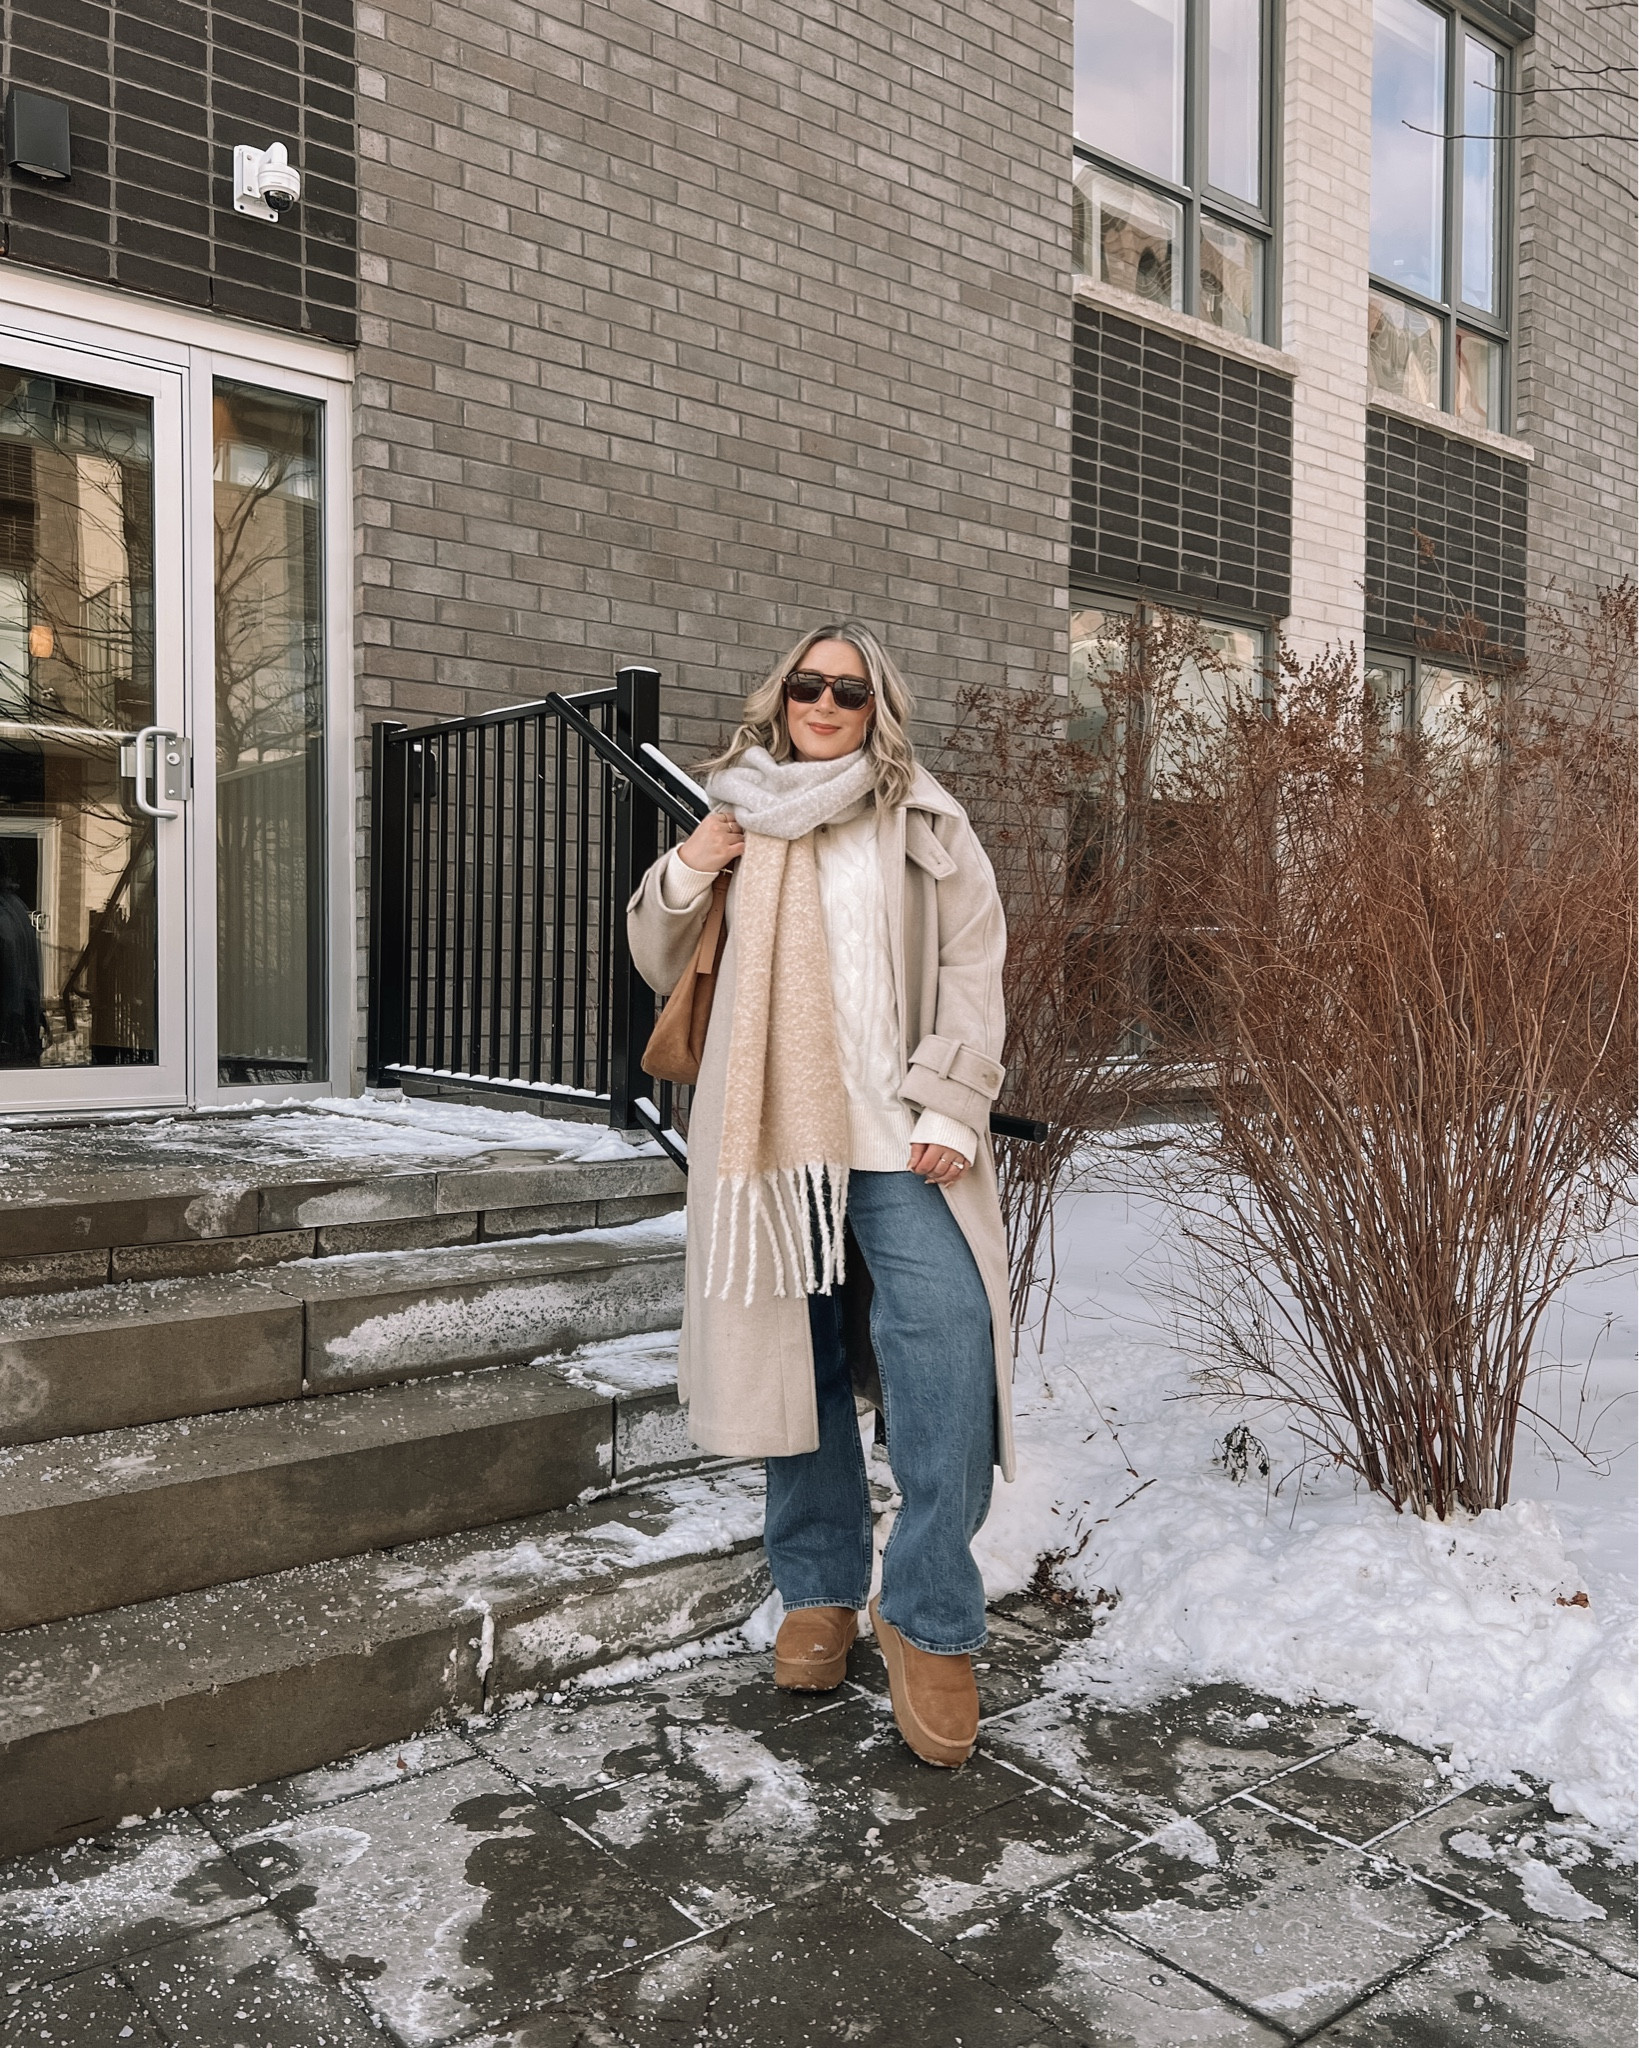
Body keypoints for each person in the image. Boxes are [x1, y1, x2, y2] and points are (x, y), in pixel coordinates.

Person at [626, 622, 1014, 1768]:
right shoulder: (735, 814)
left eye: (849, 688)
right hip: (774, 1144)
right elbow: (655, 950)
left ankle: (929, 1612)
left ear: (876, 704)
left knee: (946, 1338)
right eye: (809, 684)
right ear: (781, 696)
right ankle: (819, 1588)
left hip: (901, 1138)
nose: (827, 701)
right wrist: (695, 862)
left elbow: (972, 965)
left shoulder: (925, 818)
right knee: (795, 1361)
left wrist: (951, 1101)